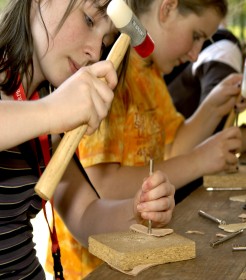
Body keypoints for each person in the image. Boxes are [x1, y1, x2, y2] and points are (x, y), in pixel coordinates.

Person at [46, 0, 242, 278]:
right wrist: (200, 161)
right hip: (95, 266)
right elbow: (103, 186)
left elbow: (172, 148)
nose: (197, 54)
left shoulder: (150, 71)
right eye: (196, 36)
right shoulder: (112, 71)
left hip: (141, 256)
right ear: (168, 8)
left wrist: (213, 105)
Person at [0, 1, 175, 279]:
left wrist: (137, 210)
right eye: (89, 20)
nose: (95, 52)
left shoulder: (48, 108)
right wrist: (52, 111)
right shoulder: (50, 110)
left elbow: (84, 215)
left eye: (106, 41)